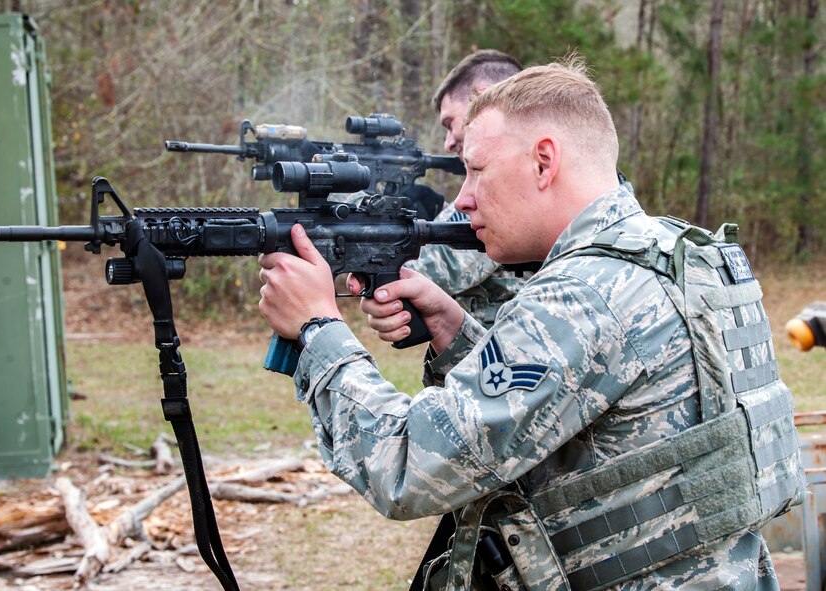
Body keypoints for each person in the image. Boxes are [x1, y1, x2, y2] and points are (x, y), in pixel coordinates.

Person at [257, 55, 805, 590]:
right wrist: (456, 333)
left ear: (544, 161)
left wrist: (317, 330)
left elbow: (409, 466)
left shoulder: (584, 296)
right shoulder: (684, 254)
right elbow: (587, 416)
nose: (464, 199)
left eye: (476, 171)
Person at [404, 49, 526, 328]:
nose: (447, 143)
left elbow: (425, 271)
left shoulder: (510, 182)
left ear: (482, 98)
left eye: (450, 123)